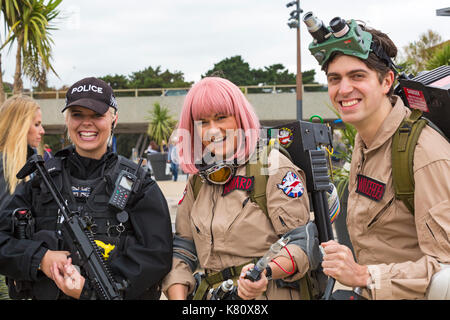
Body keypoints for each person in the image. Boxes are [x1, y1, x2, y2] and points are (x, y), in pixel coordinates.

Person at [310, 20, 450, 299]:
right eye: (334, 79)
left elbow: (445, 269)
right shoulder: (365, 143)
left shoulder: (423, 153)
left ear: (386, 81)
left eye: (357, 76)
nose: (344, 89)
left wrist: (364, 275)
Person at [0, 77, 173, 300]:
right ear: (67, 120)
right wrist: (40, 258)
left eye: (97, 115)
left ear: (114, 119)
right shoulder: (41, 182)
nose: (86, 123)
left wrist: (90, 291)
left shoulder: (138, 185)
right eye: (77, 114)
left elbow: (157, 255)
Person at [162, 77, 320, 300]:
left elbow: (301, 244)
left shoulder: (272, 166)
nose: (212, 130)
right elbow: (182, 250)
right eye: (202, 122)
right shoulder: (198, 181)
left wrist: (264, 272)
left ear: (240, 118)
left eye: (221, 118)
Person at [0, 95, 45, 210]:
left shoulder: (30, 162)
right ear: (20, 126)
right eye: (36, 124)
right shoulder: (4, 164)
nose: (42, 131)